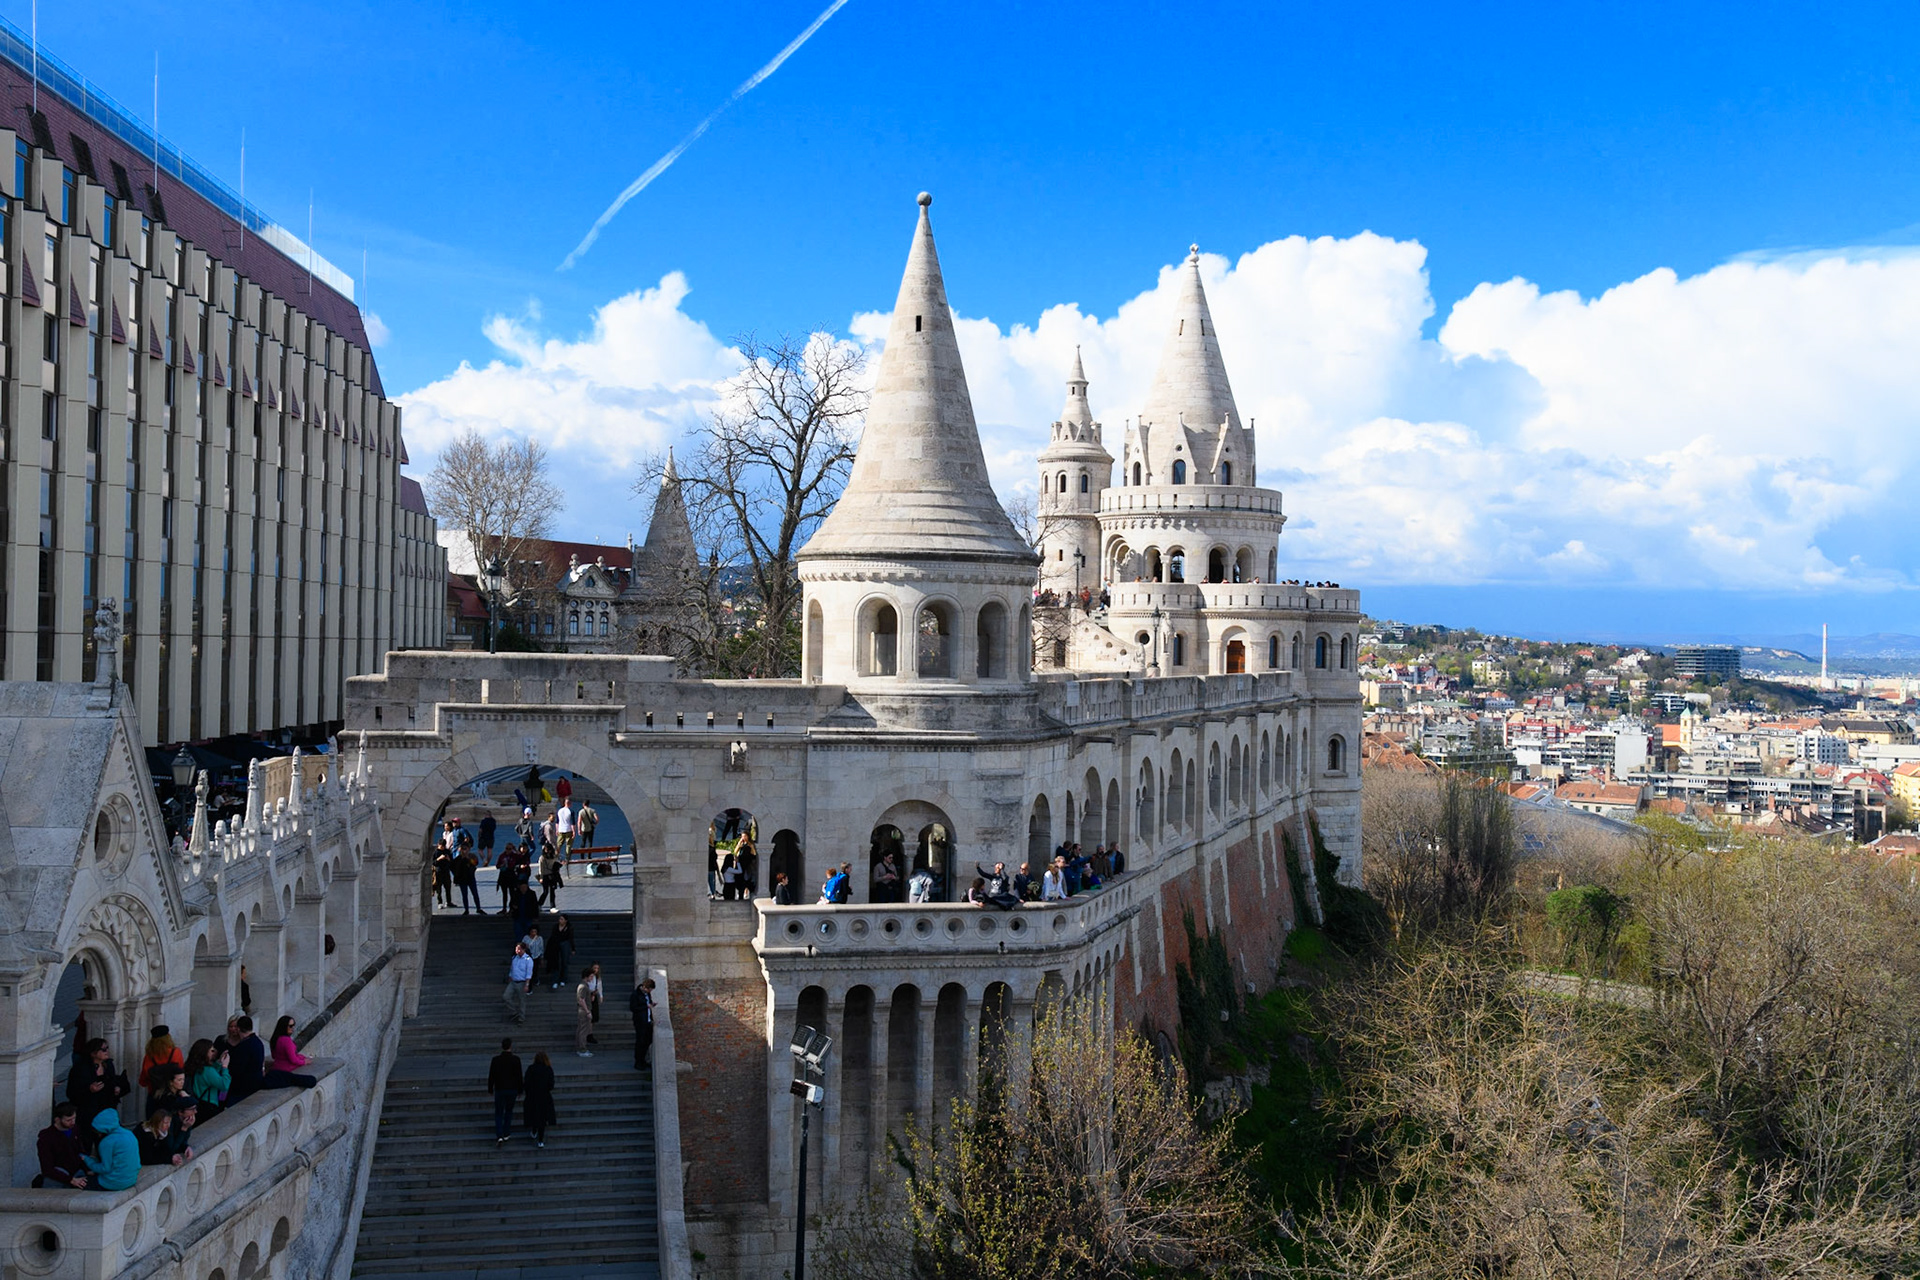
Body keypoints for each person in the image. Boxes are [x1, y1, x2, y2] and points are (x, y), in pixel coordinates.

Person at [66, 1037, 129, 1121]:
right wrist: (89, 1089)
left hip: (107, 1108)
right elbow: (71, 1093)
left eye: (107, 1048)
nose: (107, 1051)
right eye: (103, 1050)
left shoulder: (108, 1065)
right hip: (89, 1111)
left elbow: (113, 1081)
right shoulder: (80, 1069)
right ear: (93, 1053)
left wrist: (117, 1088)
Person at [82, 1108, 139, 1191]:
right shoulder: (129, 1134)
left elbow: (105, 1168)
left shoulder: (107, 1142)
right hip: (131, 1179)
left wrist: (88, 1161)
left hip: (113, 1183)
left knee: (80, 1182)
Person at [36, 1103, 89, 1188]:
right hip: (59, 1176)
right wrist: (70, 1179)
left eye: (74, 1119)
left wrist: (87, 1168)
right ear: (57, 1120)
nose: (72, 1123)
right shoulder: (46, 1138)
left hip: (77, 1172)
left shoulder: (75, 1129)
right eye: (68, 1120)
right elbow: (47, 1168)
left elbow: (80, 1151)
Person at [266, 1016, 319, 1088]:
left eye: (293, 1025)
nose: (293, 1028)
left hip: (275, 1068)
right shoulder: (286, 1041)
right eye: (290, 1026)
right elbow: (293, 1059)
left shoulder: (275, 1038)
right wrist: (304, 1062)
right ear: (284, 1026)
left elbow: (274, 1056)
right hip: (286, 1069)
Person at [488, 1038, 523, 1146]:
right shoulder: (516, 1060)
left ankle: (499, 1135)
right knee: (508, 1111)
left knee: (498, 1112)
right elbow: (519, 1077)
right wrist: (520, 1090)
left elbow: (491, 1076)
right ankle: (506, 1132)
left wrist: (490, 1088)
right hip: (512, 1089)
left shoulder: (495, 1060)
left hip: (500, 1089)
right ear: (510, 1046)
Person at [226, 1016, 268, 1101]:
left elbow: (236, 1069)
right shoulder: (258, 1042)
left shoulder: (244, 1046)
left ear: (238, 1029)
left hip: (242, 1089)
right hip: (255, 1084)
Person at [186, 1039, 230, 1119]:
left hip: (199, 1102)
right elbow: (224, 1085)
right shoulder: (207, 1070)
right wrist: (225, 1067)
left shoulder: (195, 1066)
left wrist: (219, 1063)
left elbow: (211, 1078)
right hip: (209, 1105)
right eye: (212, 1051)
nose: (214, 1053)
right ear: (204, 1052)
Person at [139, 1026, 184, 1101]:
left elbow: (143, 1081)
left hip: (155, 1094)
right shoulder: (176, 1052)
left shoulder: (149, 1056)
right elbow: (181, 1071)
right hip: (173, 1093)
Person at [523, 1051, 556, 1148]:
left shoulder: (531, 1069)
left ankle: (534, 1130)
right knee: (542, 1118)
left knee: (534, 1114)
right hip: (544, 1096)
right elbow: (551, 1084)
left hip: (533, 1096)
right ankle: (540, 1140)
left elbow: (526, 1083)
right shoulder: (548, 1069)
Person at [630, 977, 656, 1070]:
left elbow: (648, 1003)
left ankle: (643, 1060)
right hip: (640, 1022)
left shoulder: (647, 995)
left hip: (648, 1020)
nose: (650, 992)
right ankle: (638, 1061)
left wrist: (651, 1004)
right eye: (649, 990)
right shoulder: (635, 994)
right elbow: (633, 1008)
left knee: (648, 1041)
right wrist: (646, 1006)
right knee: (640, 1042)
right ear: (645, 987)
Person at [504, 944, 533, 1023]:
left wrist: (527, 985)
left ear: (524, 950)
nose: (517, 951)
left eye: (519, 949)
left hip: (522, 982)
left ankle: (521, 1017)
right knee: (506, 996)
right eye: (516, 949)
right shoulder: (514, 958)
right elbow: (512, 969)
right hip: (513, 981)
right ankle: (514, 1012)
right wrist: (510, 976)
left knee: (522, 1000)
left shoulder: (528, 960)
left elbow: (529, 974)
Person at [454, 844, 485, 915]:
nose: (464, 851)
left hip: (470, 878)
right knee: (464, 895)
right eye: (462, 849)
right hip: (462, 879)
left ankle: (478, 908)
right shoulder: (458, 858)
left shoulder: (472, 856)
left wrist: (468, 858)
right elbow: (454, 866)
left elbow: (475, 863)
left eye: (465, 849)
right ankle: (466, 909)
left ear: (468, 849)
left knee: (475, 894)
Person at [547, 914, 575, 989]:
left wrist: (573, 948)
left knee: (564, 962)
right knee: (556, 962)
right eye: (560, 919)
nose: (560, 921)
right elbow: (553, 936)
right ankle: (555, 980)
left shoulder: (569, 928)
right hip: (556, 944)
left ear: (566, 920)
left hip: (565, 944)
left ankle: (563, 979)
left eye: (562, 919)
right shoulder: (555, 927)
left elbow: (571, 938)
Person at [574, 977, 596, 1057]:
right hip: (584, 1011)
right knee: (583, 1030)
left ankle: (580, 1047)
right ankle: (582, 1048)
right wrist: (587, 1011)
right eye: (591, 976)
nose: (592, 978)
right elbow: (581, 1000)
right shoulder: (583, 986)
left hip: (584, 1010)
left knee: (581, 1029)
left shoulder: (585, 986)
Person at [583, 962, 604, 1043]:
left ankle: (590, 1032)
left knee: (594, 1017)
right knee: (590, 1017)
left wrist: (601, 995)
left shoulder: (597, 978)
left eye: (597, 968)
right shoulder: (589, 977)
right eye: (594, 968)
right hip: (589, 996)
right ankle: (589, 1034)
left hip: (594, 996)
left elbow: (599, 986)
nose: (596, 970)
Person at [431, 844, 454, 910]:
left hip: (446, 872)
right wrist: (439, 858)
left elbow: (451, 862)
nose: (442, 848)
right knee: (439, 889)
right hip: (438, 872)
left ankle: (448, 901)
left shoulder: (447, 851)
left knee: (448, 887)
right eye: (441, 846)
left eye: (443, 847)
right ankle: (439, 902)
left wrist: (448, 859)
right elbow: (433, 863)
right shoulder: (435, 852)